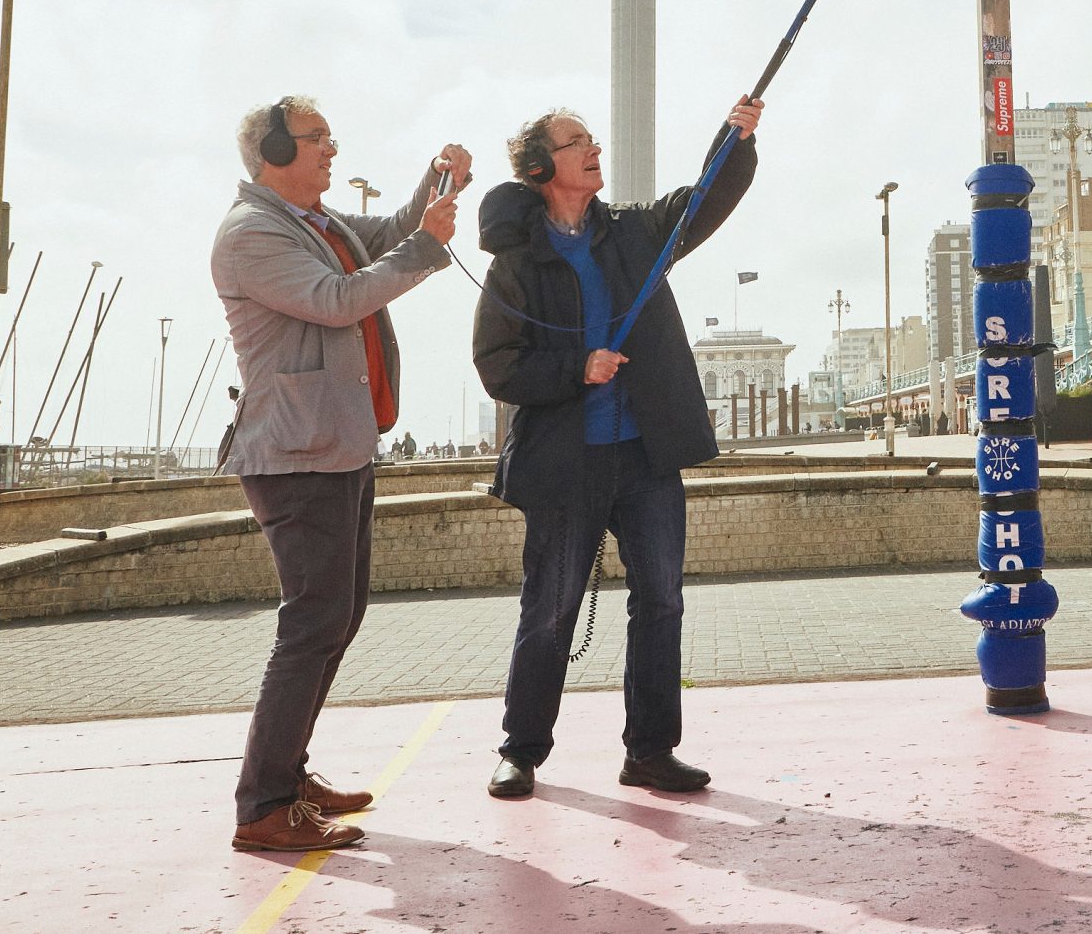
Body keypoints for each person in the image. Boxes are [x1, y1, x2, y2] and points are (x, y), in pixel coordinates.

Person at [473, 98, 762, 800]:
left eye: (593, 138)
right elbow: (496, 363)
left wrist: (735, 138)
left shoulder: (635, 230)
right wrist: (578, 367)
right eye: (576, 143)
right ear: (542, 167)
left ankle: (651, 750)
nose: (593, 149)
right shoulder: (516, 264)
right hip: (565, 463)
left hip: (645, 454)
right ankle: (521, 750)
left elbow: (703, 201)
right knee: (550, 607)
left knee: (661, 598)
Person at [211, 96, 466, 850]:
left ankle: (285, 775)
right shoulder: (251, 233)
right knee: (313, 621)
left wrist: (434, 184)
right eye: (318, 137)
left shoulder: (316, 222)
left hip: (337, 445)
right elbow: (336, 299)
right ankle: (263, 803)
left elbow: (383, 239)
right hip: (297, 455)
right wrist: (427, 247)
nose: (331, 148)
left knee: (336, 615)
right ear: (275, 148)